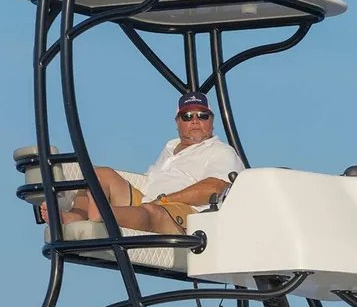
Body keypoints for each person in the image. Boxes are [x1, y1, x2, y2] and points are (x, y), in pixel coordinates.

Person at [41, 92, 245, 234]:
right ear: (177, 122)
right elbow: (149, 185)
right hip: (149, 202)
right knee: (99, 173)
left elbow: (215, 187)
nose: (194, 120)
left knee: (152, 212)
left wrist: (164, 200)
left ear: (212, 121)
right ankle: (76, 216)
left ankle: (103, 214)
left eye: (202, 115)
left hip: (189, 215)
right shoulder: (169, 149)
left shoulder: (220, 151)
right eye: (187, 116)